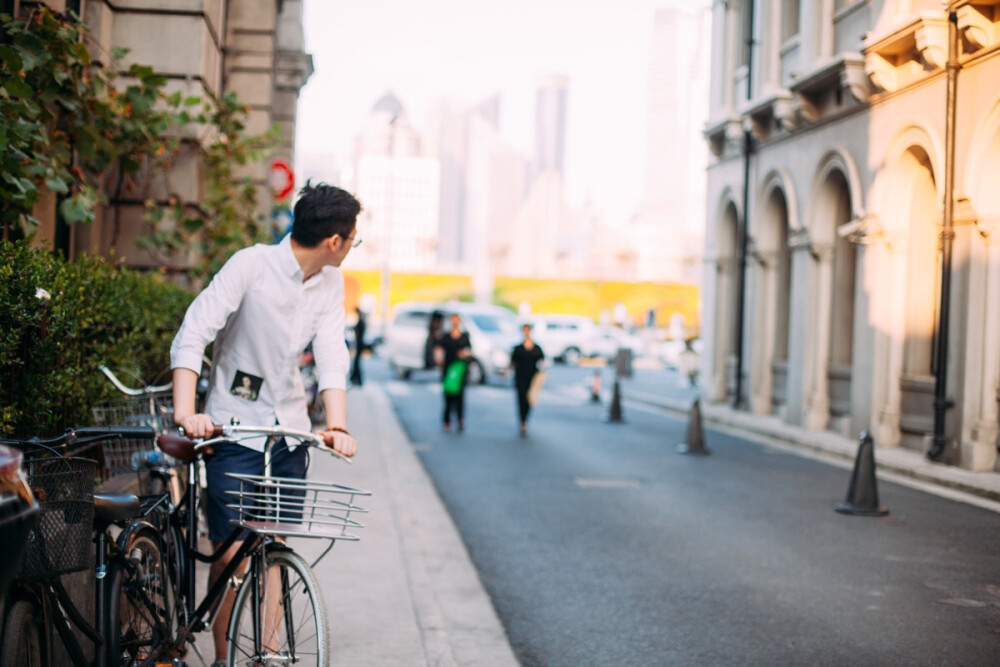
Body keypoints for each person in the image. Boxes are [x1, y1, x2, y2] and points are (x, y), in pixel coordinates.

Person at [169, 181, 361, 666]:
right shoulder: (251, 265)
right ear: (334, 240)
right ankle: (222, 657)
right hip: (234, 429)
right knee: (233, 554)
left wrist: (337, 425)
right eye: (354, 237)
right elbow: (194, 334)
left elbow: (332, 354)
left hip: (289, 433)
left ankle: (266, 657)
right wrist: (187, 412)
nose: (353, 245)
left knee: (273, 546)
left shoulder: (330, 283)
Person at [436, 312, 471, 431]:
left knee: (460, 396)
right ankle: (447, 420)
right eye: (453, 320)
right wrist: (439, 357)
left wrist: (464, 354)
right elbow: (439, 348)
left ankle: (460, 419)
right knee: (448, 395)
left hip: (460, 369)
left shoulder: (465, 336)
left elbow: (470, 350)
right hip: (448, 368)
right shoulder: (446, 336)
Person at [510, 323, 545, 437]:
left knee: (530, 400)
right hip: (520, 377)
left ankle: (525, 419)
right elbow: (512, 363)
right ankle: (522, 421)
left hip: (532, 377)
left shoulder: (537, 348)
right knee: (521, 399)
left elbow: (542, 361)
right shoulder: (518, 348)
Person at [350, 307, 367, 386]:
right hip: (359, 343)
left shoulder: (361, 321)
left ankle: (357, 379)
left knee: (357, 362)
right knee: (357, 362)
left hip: (359, 343)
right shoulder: (362, 320)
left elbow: (358, 330)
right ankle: (355, 378)